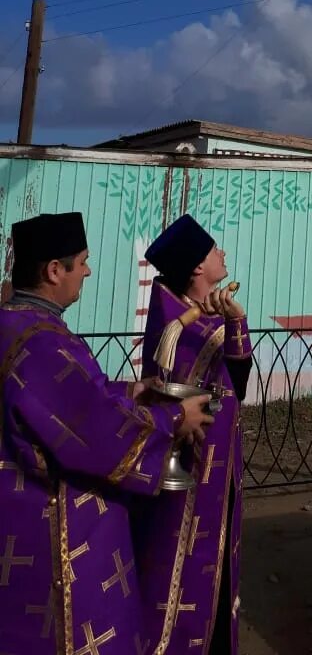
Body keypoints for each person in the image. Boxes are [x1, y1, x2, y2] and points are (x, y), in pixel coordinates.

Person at [0, 211, 214, 655]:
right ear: (54, 270)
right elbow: (92, 427)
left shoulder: (12, 323)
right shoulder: (42, 343)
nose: (88, 272)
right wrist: (175, 419)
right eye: (82, 262)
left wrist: (132, 391)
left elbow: (68, 399)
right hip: (53, 531)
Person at [136, 214, 253, 655]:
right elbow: (195, 388)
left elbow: (238, 383)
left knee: (218, 570)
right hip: (192, 469)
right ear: (198, 268)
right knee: (179, 569)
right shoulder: (177, 325)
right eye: (214, 248)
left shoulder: (203, 318)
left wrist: (237, 319)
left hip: (221, 468)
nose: (223, 253)